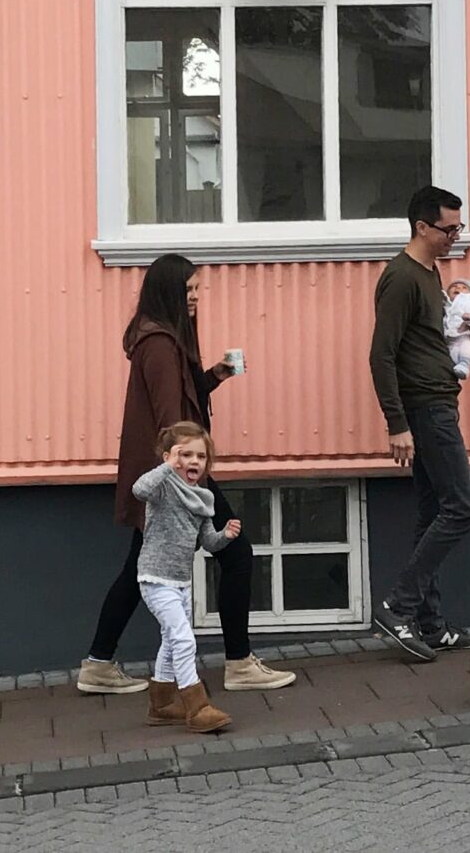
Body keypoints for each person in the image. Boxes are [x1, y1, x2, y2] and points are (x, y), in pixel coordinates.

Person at [77, 254, 297, 696]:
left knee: (139, 569)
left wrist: (214, 374)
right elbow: (169, 422)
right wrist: (190, 469)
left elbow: (181, 396)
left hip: (169, 475)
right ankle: (238, 664)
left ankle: (98, 664)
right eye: (189, 290)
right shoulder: (158, 345)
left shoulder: (162, 339)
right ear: (169, 293)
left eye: (197, 289)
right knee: (236, 554)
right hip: (178, 475)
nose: (195, 298)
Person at [367, 184, 470, 661]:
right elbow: (381, 355)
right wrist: (397, 423)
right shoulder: (401, 278)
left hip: (438, 401)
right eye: (448, 228)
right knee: (462, 509)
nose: (455, 236)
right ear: (421, 226)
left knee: (432, 513)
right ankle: (398, 606)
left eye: (458, 227)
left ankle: (430, 625)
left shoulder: (429, 274)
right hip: (426, 410)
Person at [133, 422, 241, 733]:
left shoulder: (203, 497)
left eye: (201, 456)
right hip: (155, 578)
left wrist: (226, 536)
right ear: (169, 457)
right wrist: (167, 466)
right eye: (186, 454)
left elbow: (208, 542)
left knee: (170, 639)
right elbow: (138, 489)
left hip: (181, 582)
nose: (194, 461)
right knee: (183, 639)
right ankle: (197, 706)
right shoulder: (162, 487)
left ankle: (162, 705)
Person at [442, 278, 470, 379]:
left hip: (462, 334)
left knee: (466, 347)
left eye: (464, 287)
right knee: (450, 354)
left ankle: (464, 364)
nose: (458, 287)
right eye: (454, 286)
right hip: (446, 337)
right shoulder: (445, 303)